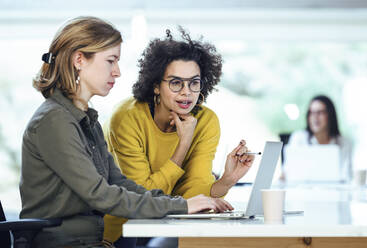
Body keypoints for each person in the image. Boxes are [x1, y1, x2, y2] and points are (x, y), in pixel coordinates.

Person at [19, 17, 253, 248]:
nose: (117, 72)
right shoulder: (55, 120)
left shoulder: (86, 120)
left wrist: (183, 202)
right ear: (79, 60)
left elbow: (119, 183)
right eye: (111, 61)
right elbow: (101, 194)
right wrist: (181, 206)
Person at [103, 27, 255, 246]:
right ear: (156, 86)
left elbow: (195, 192)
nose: (187, 92)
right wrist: (183, 144)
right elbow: (143, 200)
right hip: (126, 230)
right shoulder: (126, 118)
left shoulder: (206, 121)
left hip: (176, 224)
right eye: (176, 83)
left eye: (194, 83)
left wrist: (226, 181)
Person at [286, 95, 352, 182]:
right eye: (311, 113)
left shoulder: (343, 142)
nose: (315, 117)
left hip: (334, 193)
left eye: (320, 113)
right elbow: (287, 172)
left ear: (330, 115)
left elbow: (346, 176)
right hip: (303, 192)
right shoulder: (299, 138)